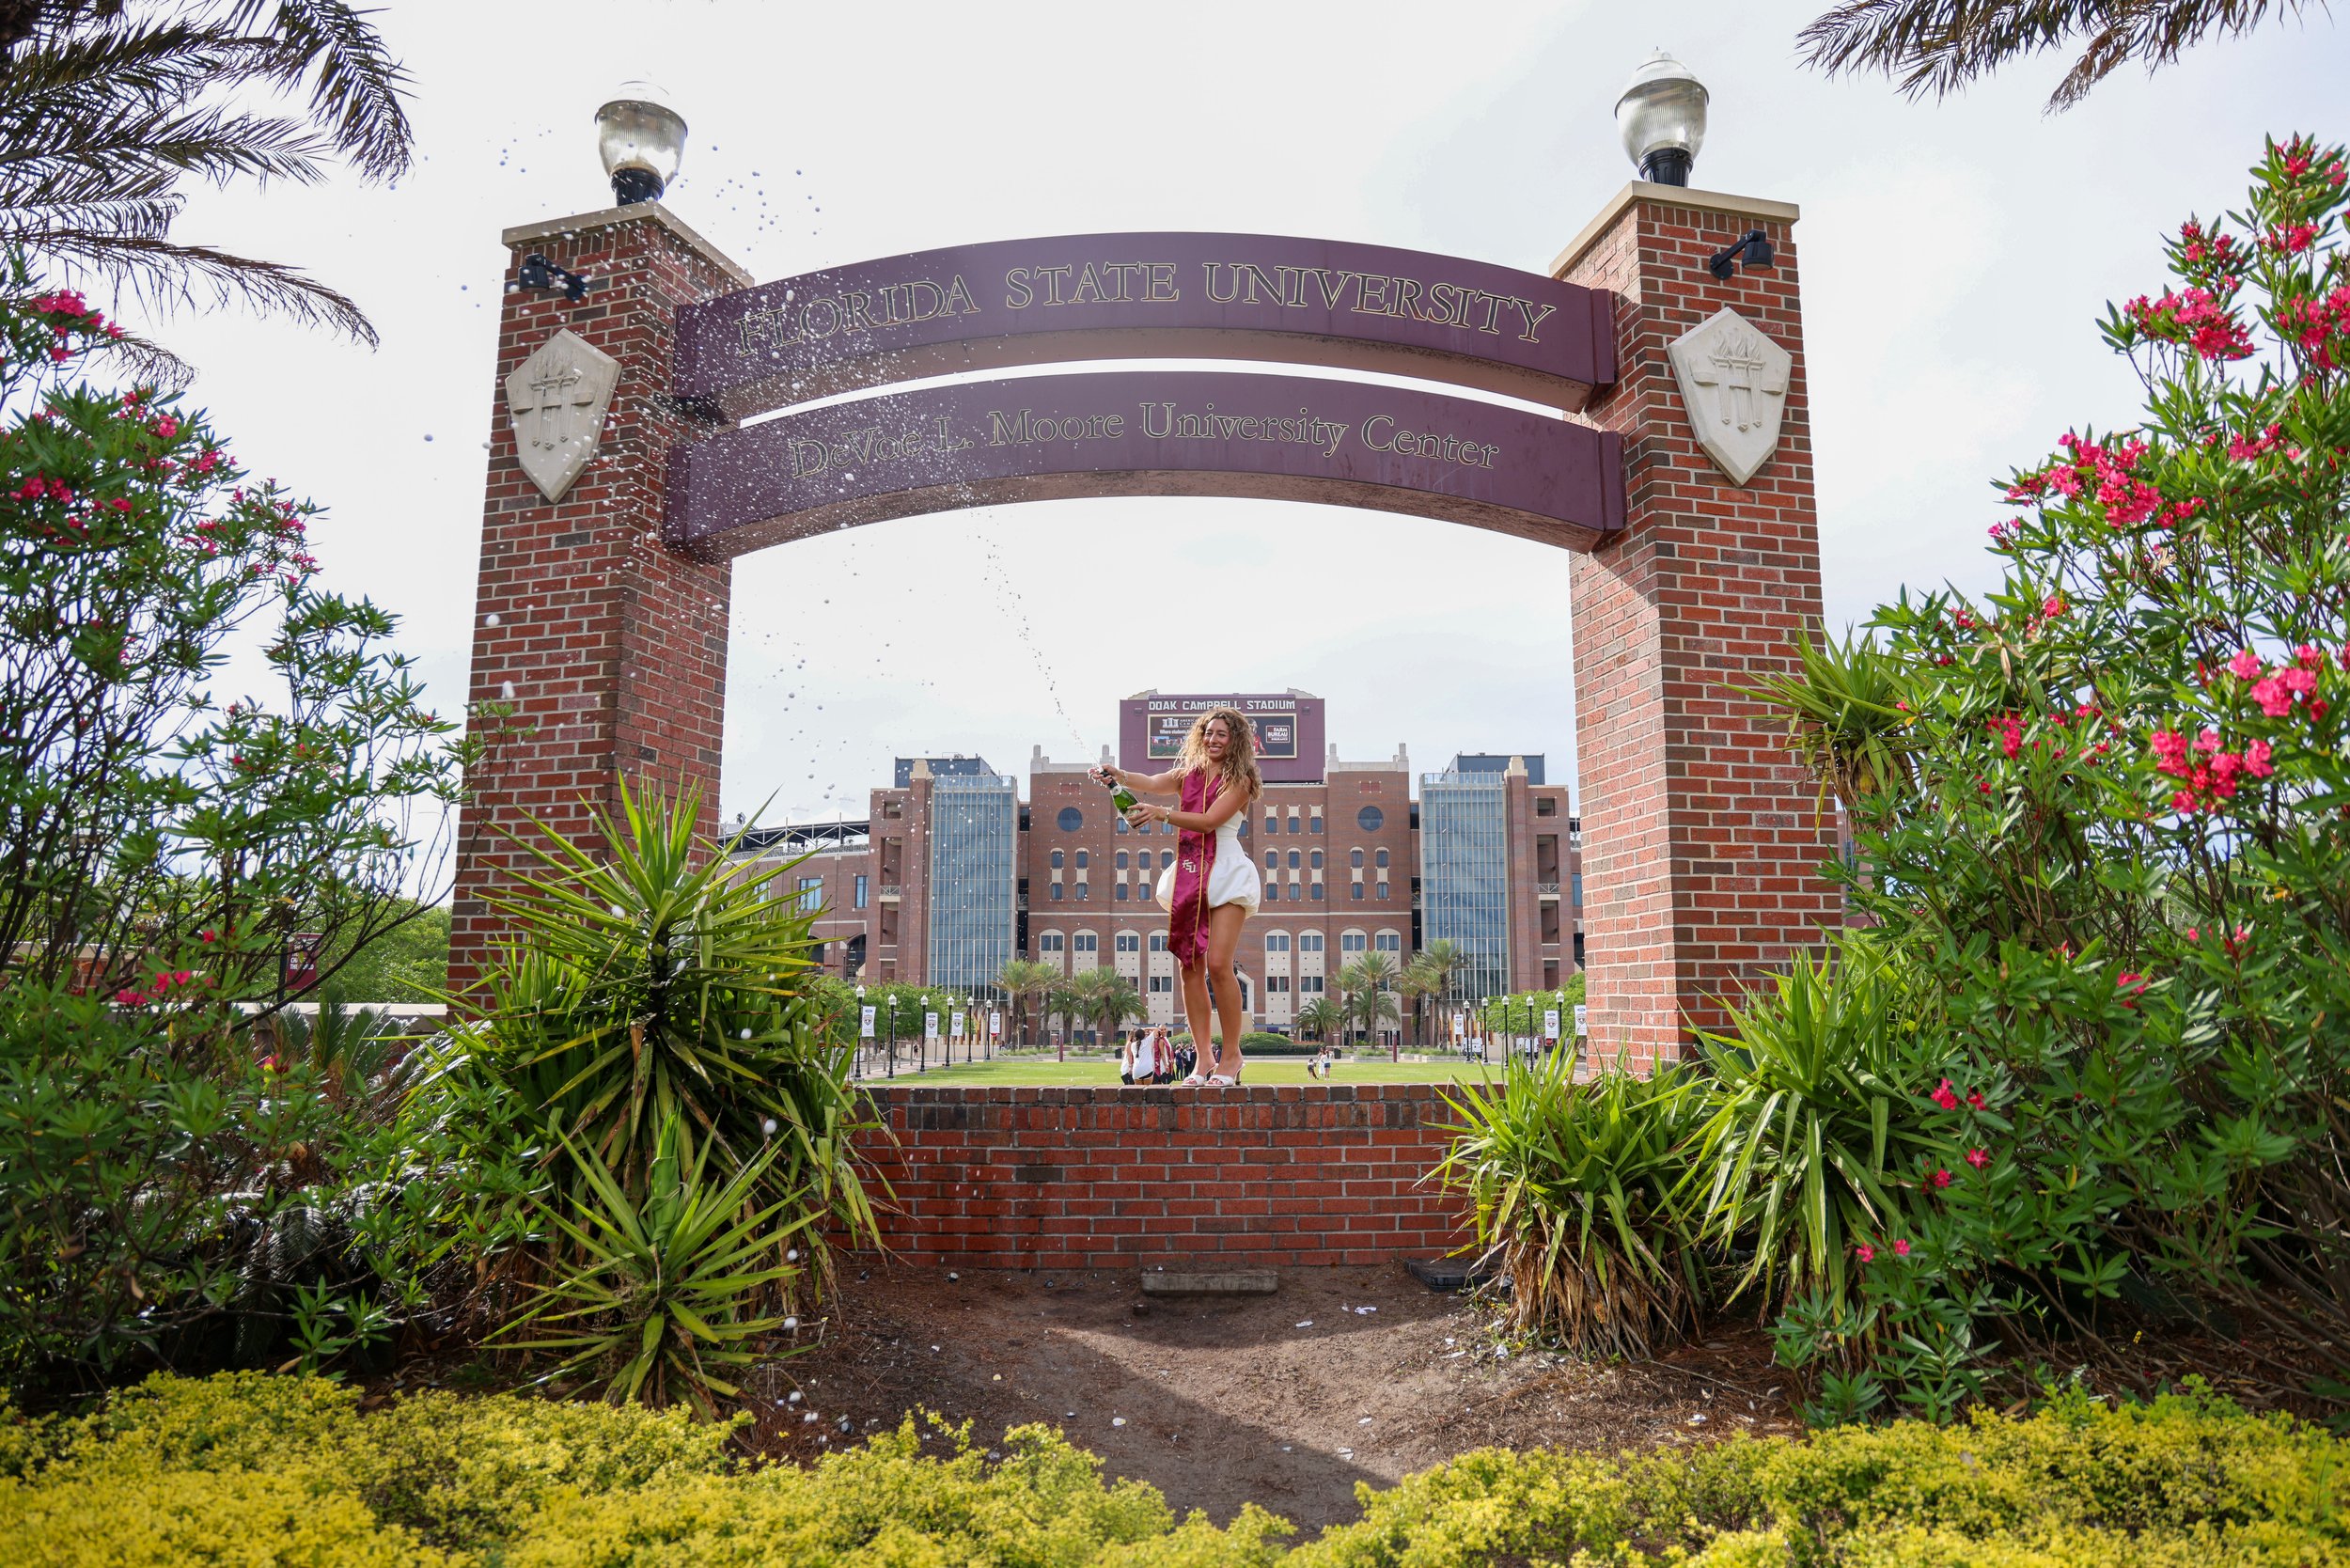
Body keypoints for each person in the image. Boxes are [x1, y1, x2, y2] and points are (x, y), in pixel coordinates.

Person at [1094, 708, 1262, 1086]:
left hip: (1227, 872)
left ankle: (1232, 1056)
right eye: (1208, 732)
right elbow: (1153, 781)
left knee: (1219, 964)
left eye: (1221, 734)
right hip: (1190, 872)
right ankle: (1203, 1059)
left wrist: (1160, 814)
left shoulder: (1242, 779)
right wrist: (1119, 776)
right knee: (1189, 966)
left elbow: (1209, 822)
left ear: (1235, 740)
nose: (1213, 740)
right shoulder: (1190, 774)